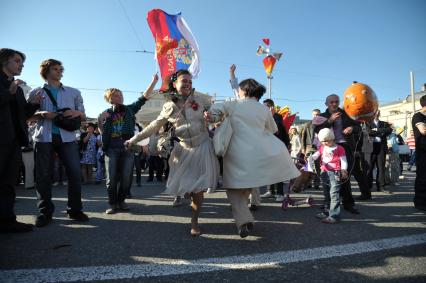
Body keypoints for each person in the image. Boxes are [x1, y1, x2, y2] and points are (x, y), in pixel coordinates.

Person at [125, 69, 219, 236]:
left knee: (198, 190)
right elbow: (154, 125)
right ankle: (189, 196)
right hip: (184, 150)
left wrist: (211, 117)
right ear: (175, 85)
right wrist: (134, 139)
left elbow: (216, 116)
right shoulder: (169, 106)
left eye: (190, 82)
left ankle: (194, 220)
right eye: (184, 81)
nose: (188, 84)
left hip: (203, 147)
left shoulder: (200, 100)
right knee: (189, 188)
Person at [206, 76, 299, 238]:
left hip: (235, 152)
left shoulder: (234, 104)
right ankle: (245, 216)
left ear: (244, 90)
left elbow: (215, 112)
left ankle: (243, 220)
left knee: (233, 188)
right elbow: (272, 129)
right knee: (247, 185)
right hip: (258, 152)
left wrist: (210, 116)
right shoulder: (264, 109)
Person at [29, 59, 88, 227]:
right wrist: (41, 114)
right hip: (43, 138)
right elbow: (27, 117)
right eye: (55, 68)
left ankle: (75, 210)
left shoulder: (73, 92)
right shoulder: (35, 92)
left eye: (60, 68)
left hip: (68, 137)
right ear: (46, 71)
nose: (59, 71)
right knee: (43, 176)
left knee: (75, 174)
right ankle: (44, 213)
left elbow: (83, 116)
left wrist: (74, 112)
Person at [99, 73, 158, 214]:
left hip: (127, 147)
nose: (120, 97)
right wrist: (100, 120)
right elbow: (102, 133)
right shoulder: (105, 113)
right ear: (109, 99)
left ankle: (121, 201)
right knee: (111, 178)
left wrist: (154, 82)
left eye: (120, 94)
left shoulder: (130, 109)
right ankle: (112, 204)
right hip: (111, 148)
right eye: (116, 95)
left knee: (126, 178)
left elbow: (143, 97)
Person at [0, 48, 41, 233]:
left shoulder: (16, 88)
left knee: (9, 183)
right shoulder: (10, 87)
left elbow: (23, 115)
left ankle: (8, 220)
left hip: (14, 140)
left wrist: (34, 104)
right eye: (17, 61)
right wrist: (8, 92)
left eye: (21, 62)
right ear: (4, 61)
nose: (21, 65)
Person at [314, 94, 361, 214]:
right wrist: (330, 120)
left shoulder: (346, 113)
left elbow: (358, 126)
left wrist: (351, 128)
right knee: (327, 178)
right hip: (328, 148)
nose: (334, 104)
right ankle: (328, 203)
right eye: (331, 102)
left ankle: (348, 204)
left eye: (336, 102)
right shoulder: (322, 116)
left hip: (344, 146)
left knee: (344, 176)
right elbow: (317, 130)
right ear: (326, 104)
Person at [310, 128, 348, 223]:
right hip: (324, 173)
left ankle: (334, 216)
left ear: (332, 138)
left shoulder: (340, 148)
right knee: (326, 193)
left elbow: (344, 161)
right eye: (322, 141)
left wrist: (344, 170)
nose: (324, 143)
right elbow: (316, 155)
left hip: (335, 173)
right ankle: (327, 212)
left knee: (334, 194)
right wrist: (310, 158)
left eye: (326, 141)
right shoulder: (322, 147)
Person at [261, 98, 291, 202]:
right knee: (269, 170)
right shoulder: (263, 117)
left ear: (271, 107)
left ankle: (280, 193)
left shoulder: (277, 117)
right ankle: (270, 191)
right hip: (267, 147)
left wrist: (271, 115)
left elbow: (277, 130)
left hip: (278, 147)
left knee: (278, 170)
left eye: (265, 106)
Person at [366, 110, 392, 193]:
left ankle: (381, 186)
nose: (376, 114)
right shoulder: (367, 123)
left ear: (379, 114)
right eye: (375, 113)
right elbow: (369, 132)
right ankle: (368, 186)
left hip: (381, 147)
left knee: (381, 168)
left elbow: (389, 130)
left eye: (378, 113)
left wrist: (376, 130)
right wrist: (381, 131)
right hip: (371, 148)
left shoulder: (384, 123)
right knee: (369, 168)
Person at [301, 109, 322, 190]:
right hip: (309, 148)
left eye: (318, 114)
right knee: (308, 166)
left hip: (320, 148)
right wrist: (303, 148)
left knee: (318, 167)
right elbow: (303, 137)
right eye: (314, 114)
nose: (316, 116)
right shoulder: (307, 124)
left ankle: (317, 183)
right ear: (312, 115)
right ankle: (308, 183)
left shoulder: (323, 124)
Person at [412, 95, 426, 211]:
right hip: (422, 151)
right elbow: (423, 130)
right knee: (422, 177)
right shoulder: (418, 116)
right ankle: (420, 202)